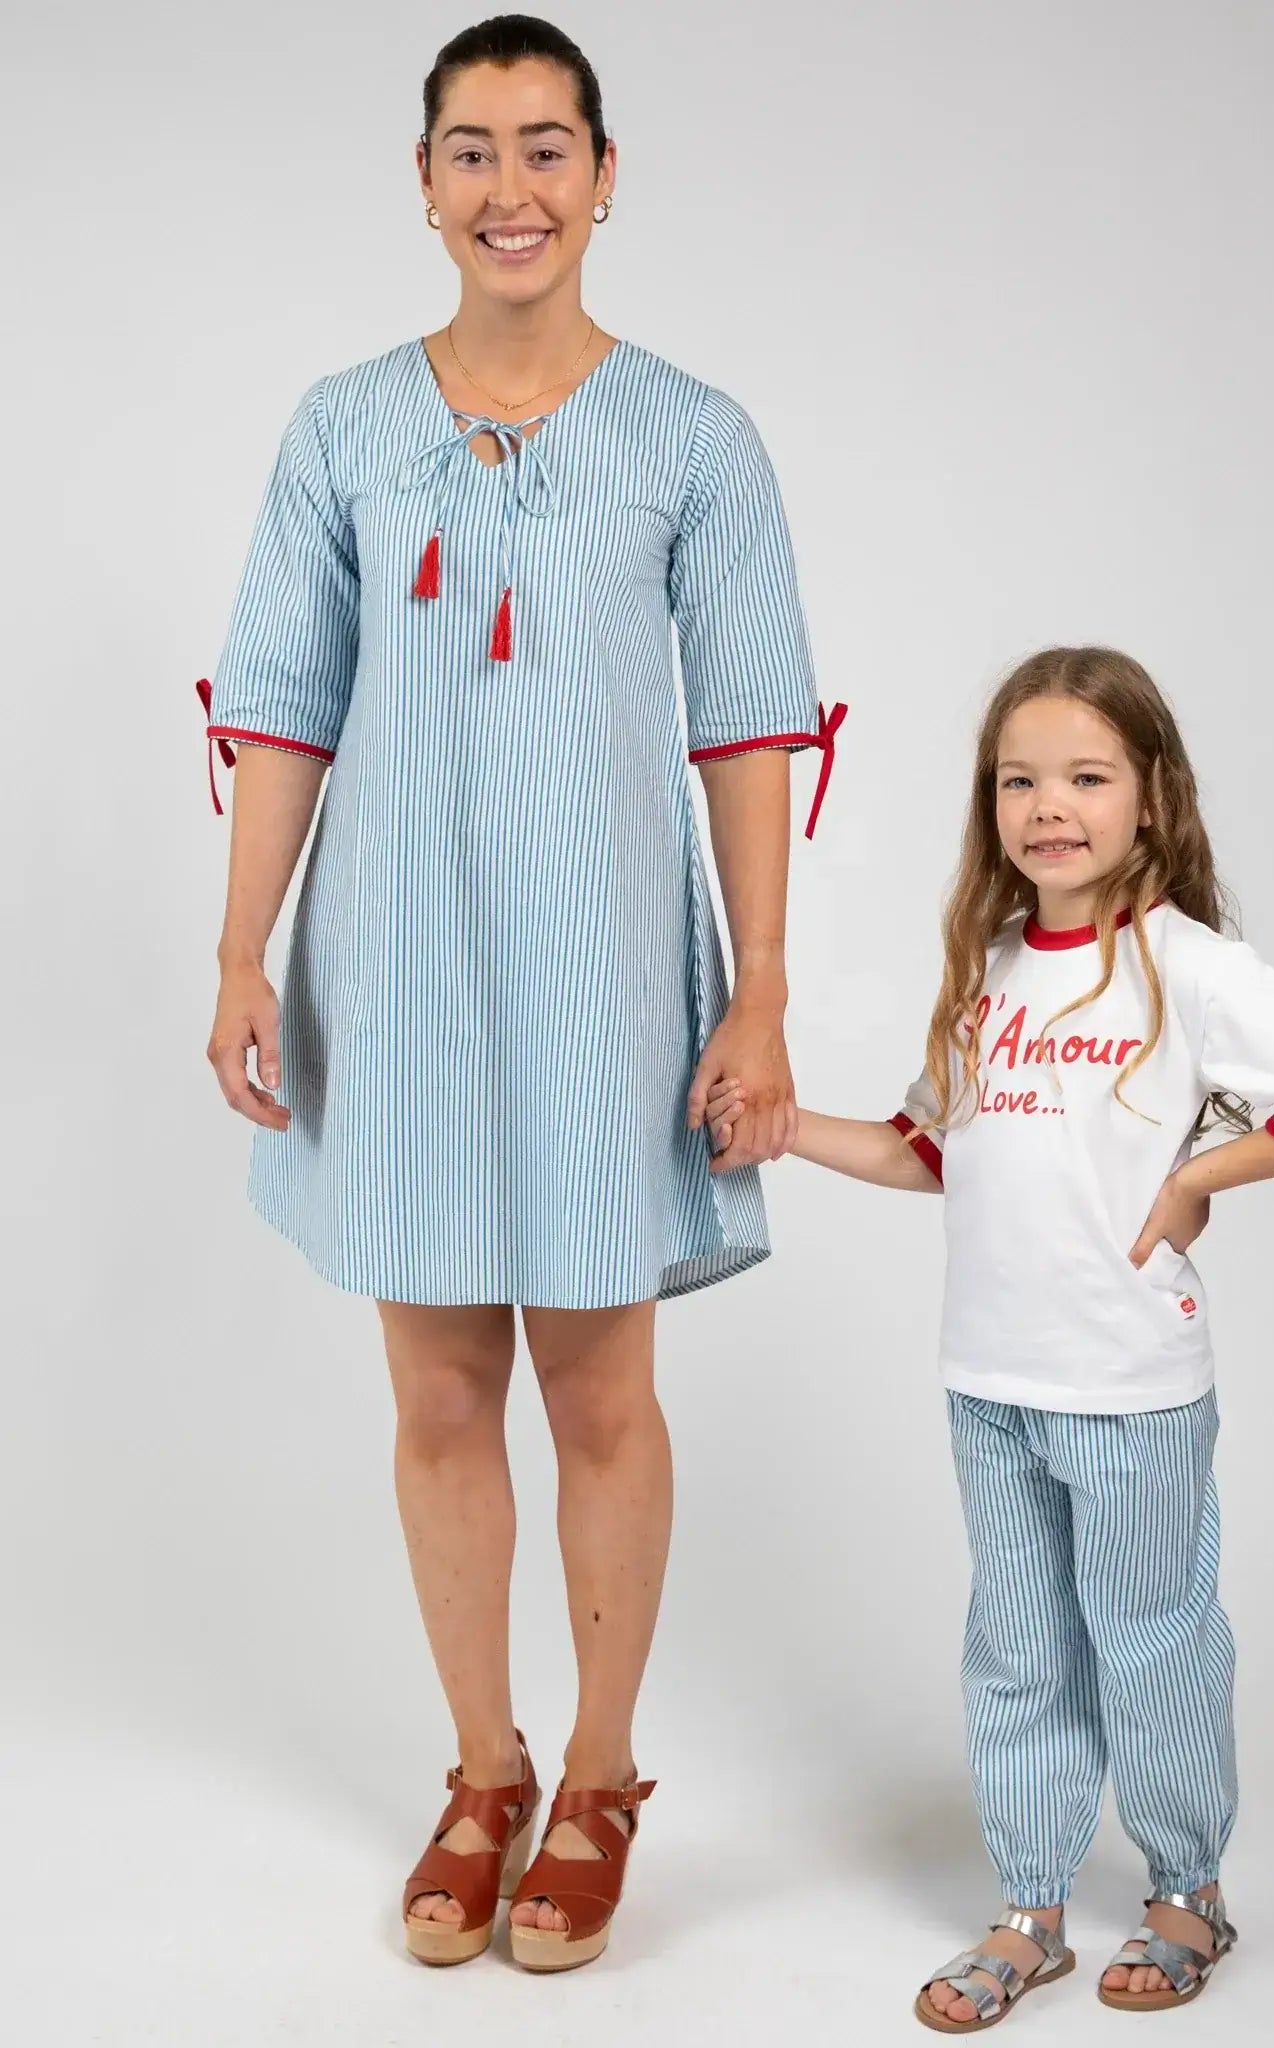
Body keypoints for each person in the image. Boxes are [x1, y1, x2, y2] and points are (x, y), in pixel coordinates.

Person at [200, 13, 841, 1974]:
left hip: (603, 972)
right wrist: (243, 946)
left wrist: (761, 995)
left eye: (546, 147)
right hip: (394, 958)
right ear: (422, 185)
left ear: (607, 174)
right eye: (470, 151)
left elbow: (745, 727)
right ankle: (479, 1765)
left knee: (601, 1386)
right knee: (435, 1381)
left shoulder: (693, 437)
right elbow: (286, 706)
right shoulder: (340, 429)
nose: (511, 188)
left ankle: (602, 1775)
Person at [707, 646, 1274, 2028]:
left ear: (1152, 796)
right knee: (1018, 1648)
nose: (1048, 805)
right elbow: (930, 1150)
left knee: (1151, 1643)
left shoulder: (1189, 967)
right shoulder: (991, 967)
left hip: (1132, 1387)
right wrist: (784, 1134)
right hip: (989, 1382)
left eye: (1085, 776)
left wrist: (1197, 1175)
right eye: (1018, 779)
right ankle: (1029, 1909)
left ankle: (1186, 1892)